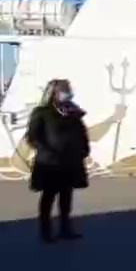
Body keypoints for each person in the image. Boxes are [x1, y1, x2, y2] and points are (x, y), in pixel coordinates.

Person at [25, 79, 90, 243]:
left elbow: (81, 132)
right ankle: (46, 231)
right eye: (64, 90)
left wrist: (84, 148)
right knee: (48, 196)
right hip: (49, 163)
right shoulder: (42, 112)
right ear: (54, 92)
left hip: (70, 161)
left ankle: (65, 229)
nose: (67, 92)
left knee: (66, 196)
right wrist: (47, 150)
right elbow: (33, 137)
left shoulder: (73, 112)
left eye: (68, 89)